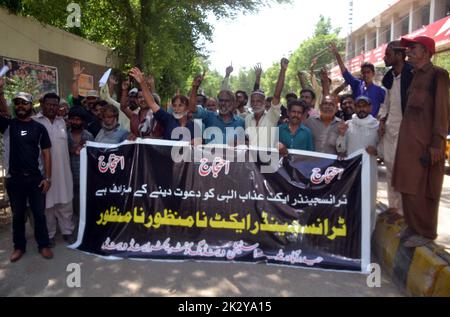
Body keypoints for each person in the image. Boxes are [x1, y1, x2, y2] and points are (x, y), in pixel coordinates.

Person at [392, 36, 450, 248]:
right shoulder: (414, 76)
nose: (408, 51)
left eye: (413, 48)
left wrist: (437, 144)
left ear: (426, 51)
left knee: (424, 189)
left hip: (425, 145)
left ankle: (425, 231)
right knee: (406, 186)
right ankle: (413, 226)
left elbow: (443, 112)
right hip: (408, 144)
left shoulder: (438, 75)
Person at [0, 90, 53, 262]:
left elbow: (46, 154)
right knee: (18, 216)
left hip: (36, 179)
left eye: (24, 103)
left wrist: (48, 178)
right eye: (17, 103)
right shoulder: (8, 126)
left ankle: (43, 245)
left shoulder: (39, 128)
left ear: (31, 105)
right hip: (14, 179)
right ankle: (19, 247)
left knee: (39, 214)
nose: (20, 106)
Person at [378, 40, 414, 223]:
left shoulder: (412, 74)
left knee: (404, 170)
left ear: (400, 55)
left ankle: (404, 211)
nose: (385, 57)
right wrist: (382, 120)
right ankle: (393, 207)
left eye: (388, 54)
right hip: (390, 128)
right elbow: (386, 103)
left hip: (406, 130)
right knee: (390, 166)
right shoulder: (389, 76)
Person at [33, 93, 75, 246]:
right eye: (49, 104)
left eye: (55, 105)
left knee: (65, 203)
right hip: (44, 173)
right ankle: (49, 234)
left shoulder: (63, 122)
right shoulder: (34, 122)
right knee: (47, 206)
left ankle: (67, 231)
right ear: (42, 104)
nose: (52, 107)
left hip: (64, 172)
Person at [336, 96, 379, 231]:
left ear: (370, 107)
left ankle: (366, 240)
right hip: (351, 174)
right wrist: (342, 134)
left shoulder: (377, 126)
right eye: (359, 106)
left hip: (369, 173)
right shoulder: (348, 124)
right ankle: (350, 237)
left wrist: (376, 150)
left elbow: (382, 150)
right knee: (350, 203)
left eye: (364, 106)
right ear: (355, 107)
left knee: (368, 205)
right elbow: (340, 149)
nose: (362, 109)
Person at [129, 67, 198, 143]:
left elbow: (200, 147)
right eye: (174, 106)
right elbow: (152, 103)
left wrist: (195, 142)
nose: (177, 108)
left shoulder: (194, 126)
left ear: (187, 108)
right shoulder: (168, 119)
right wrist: (142, 83)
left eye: (180, 105)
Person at [330, 43, 386, 117]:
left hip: (371, 125)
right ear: (361, 74)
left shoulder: (380, 91)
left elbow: (387, 107)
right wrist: (337, 55)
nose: (366, 75)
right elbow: (345, 72)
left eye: (368, 72)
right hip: (356, 123)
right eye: (363, 72)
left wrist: (380, 120)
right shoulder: (357, 84)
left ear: (373, 74)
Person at [245, 58, 287, 149]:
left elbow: (276, 95)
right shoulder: (247, 118)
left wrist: (283, 70)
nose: (255, 104)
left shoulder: (271, 116)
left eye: (258, 101)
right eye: (253, 101)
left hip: (268, 161)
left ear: (264, 102)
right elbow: (247, 140)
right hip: (250, 160)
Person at [190, 80, 245, 146]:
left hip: (232, 156)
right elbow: (192, 109)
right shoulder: (209, 116)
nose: (223, 103)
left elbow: (246, 144)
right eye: (221, 100)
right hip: (209, 155)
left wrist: (239, 143)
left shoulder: (241, 122)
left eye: (227, 101)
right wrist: (194, 88)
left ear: (233, 103)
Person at [67, 107, 94, 220]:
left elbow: (93, 157)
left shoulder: (89, 136)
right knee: (69, 205)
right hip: (67, 177)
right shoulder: (64, 135)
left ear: (83, 121)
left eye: (78, 119)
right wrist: (72, 149)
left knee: (84, 206)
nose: (75, 122)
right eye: (72, 119)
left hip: (84, 178)